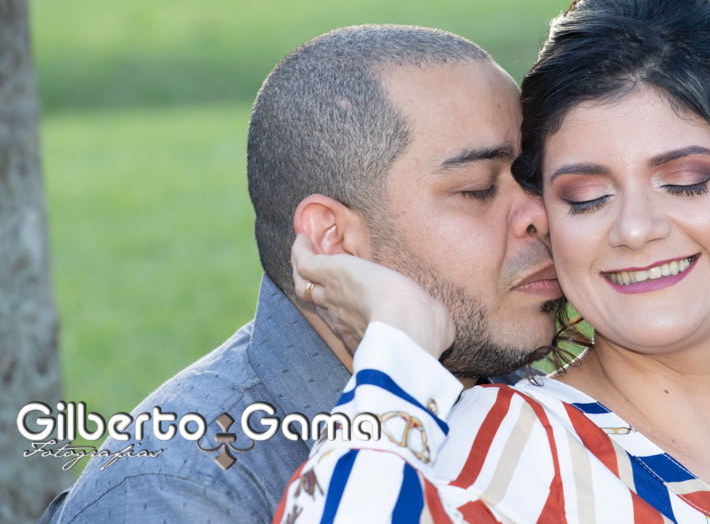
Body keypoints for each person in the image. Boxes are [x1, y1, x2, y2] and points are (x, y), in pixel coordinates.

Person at [274, 0, 710, 523]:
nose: (635, 228)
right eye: (587, 196)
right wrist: (400, 344)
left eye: (684, 181)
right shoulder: (503, 457)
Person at [39, 25, 562, 523]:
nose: (539, 213)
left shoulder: (528, 399)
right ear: (332, 238)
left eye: (530, 177)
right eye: (477, 188)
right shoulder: (183, 492)